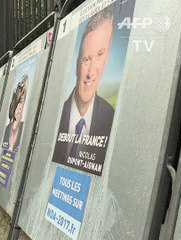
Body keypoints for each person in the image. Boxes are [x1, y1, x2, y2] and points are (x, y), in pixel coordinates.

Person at [53, 8, 115, 163]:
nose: (90, 73)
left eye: (100, 55)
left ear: (106, 58)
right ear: (76, 66)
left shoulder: (111, 118)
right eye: (86, 59)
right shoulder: (55, 115)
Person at [2, 74, 28, 152]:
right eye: (18, 102)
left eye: (22, 103)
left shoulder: (25, 131)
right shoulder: (6, 130)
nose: (19, 108)